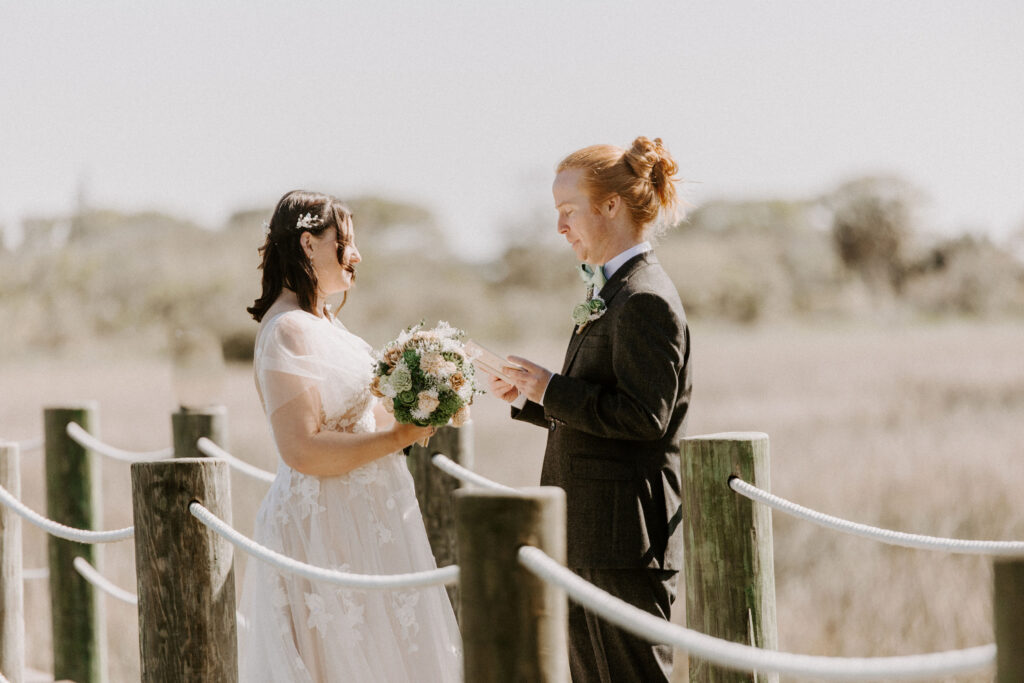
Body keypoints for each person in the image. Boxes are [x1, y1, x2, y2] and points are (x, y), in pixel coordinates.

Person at [237, 190, 462, 682]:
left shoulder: (326, 323)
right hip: (324, 526)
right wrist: (400, 435)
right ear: (308, 244)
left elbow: (360, 419)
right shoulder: (287, 331)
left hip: (368, 518)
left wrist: (429, 400)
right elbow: (303, 449)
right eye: (345, 241)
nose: (356, 255)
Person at [489, 137, 691, 682]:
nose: (559, 228)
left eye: (567, 211)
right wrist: (535, 397)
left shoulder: (644, 297)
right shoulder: (613, 289)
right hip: (589, 534)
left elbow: (644, 417)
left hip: (624, 539)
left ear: (610, 206)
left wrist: (552, 390)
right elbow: (606, 403)